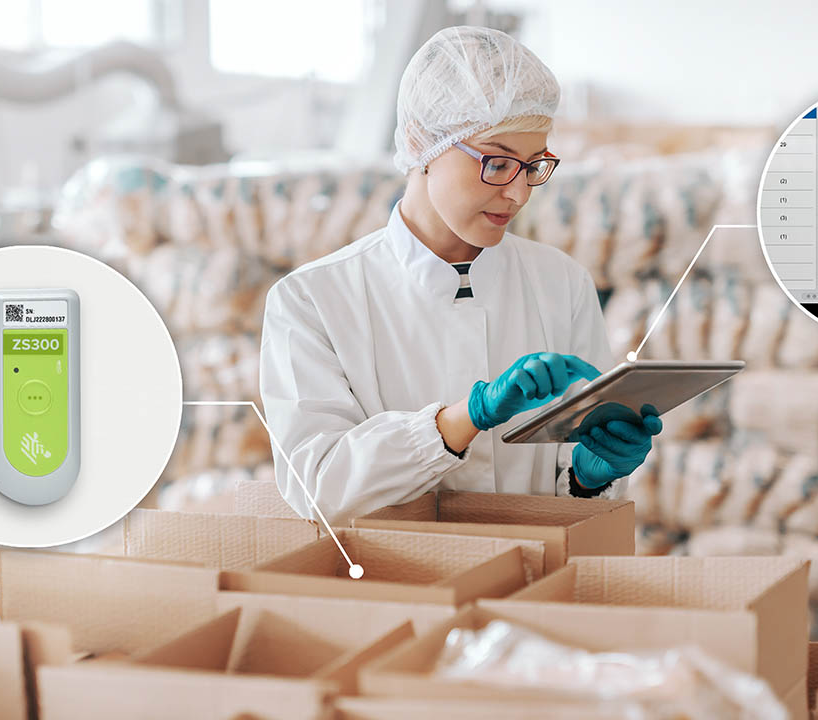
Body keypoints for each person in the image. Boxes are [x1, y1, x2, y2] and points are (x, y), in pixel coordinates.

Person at [260, 26, 661, 523]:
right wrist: (463, 420)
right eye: (497, 163)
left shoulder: (562, 283)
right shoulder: (313, 299)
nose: (518, 194)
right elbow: (315, 486)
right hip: (394, 590)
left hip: (533, 586)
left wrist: (589, 477)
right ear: (420, 142)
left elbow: (570, 490)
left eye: (533, 166)